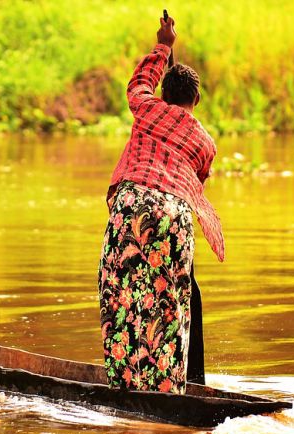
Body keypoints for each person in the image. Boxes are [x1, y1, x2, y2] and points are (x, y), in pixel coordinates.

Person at [98, 12, 224, 394]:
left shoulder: (148, 107)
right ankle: (167, 389)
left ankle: (126, 385)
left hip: (133, 205)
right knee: (168, 305)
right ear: (196, 100)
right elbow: (198, 182)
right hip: (176, 219)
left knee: (122, 292)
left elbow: (138, 84)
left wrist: (163, 44)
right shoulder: (206, 144)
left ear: (164, 95)